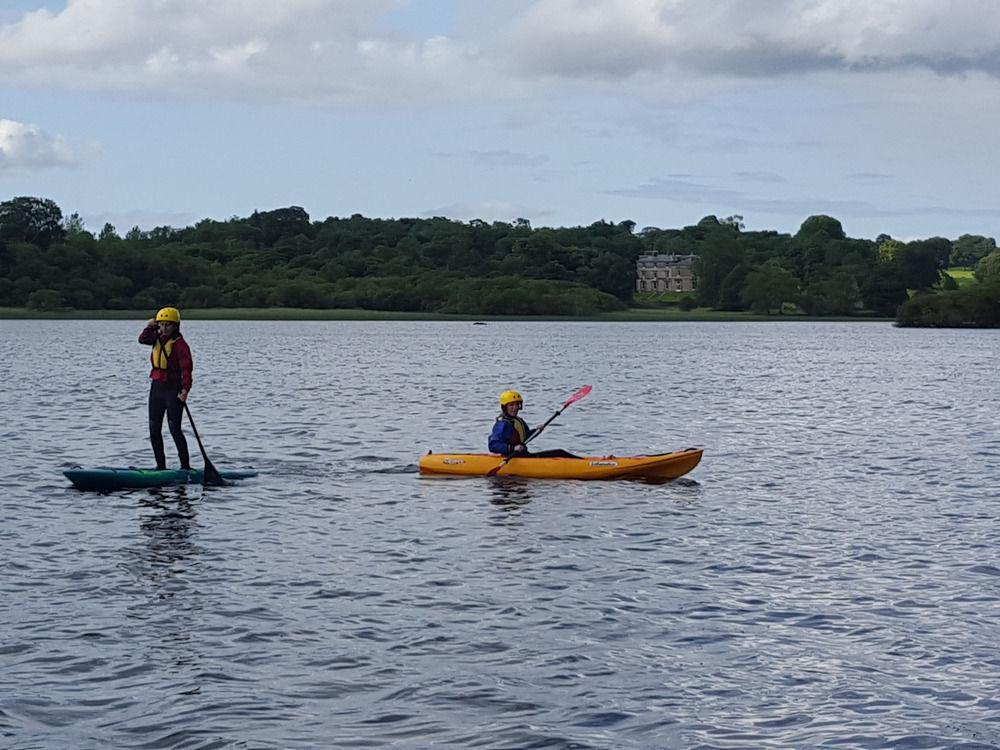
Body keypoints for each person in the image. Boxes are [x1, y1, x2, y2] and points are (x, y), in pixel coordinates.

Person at [138, 307, 192, 471]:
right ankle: (160, 467)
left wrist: (184, 390)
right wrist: (150, 326)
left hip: (173, 389)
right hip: (157, 388)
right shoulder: (156, 338)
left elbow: (186, 369)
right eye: (161, 325)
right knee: (154, 429)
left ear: (176, 326)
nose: (164, 328)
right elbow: (142, 339)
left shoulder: (180, 345)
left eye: (168, 325)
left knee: (174, 429)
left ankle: (185, 467)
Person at [488, 390, 577, 459]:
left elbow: (526, 437)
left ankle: (586, 462)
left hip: (523, 456)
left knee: (560, 453)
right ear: (504, 407)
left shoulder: (519, 421)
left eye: (516, 405)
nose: (515, 408)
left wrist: (537, 431)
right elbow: (493, 446)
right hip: (512, 458)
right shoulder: (502, 425)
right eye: (511, 405)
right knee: (559, 453)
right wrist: (513, 448)